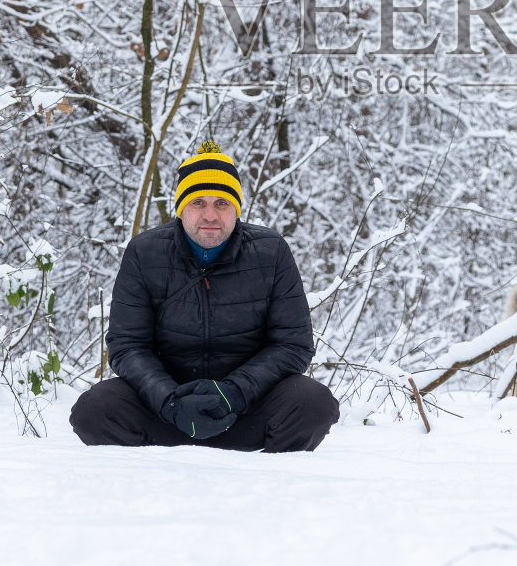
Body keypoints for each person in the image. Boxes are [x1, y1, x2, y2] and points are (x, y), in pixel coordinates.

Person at [69, 140, 340, 452]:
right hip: (167, 411)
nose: (210, 215)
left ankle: (267, 476)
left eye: (221, 204)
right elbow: (127, 345)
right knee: (94, 410)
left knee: (313, 402)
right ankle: (145, 476)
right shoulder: (145, 253)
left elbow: (293, 345)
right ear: (181, 207)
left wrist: (233, 393)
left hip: (246, 409)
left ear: (236, 209)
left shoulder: (271, 252)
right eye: (198, 202)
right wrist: (169, 400)